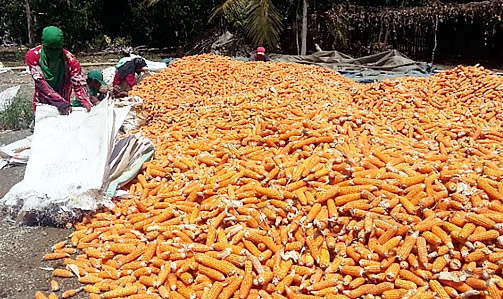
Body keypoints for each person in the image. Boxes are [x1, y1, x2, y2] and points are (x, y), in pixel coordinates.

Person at [25, 26, 93, 115]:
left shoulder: (70, 61)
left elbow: (79, 83)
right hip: (42, 103)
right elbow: (41, 84)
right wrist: (60, 103)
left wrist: (85, 101)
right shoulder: (33, 56)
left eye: (57, 49)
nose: (53, 52)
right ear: (43, 44)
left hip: (65, 105)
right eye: (50, 48)